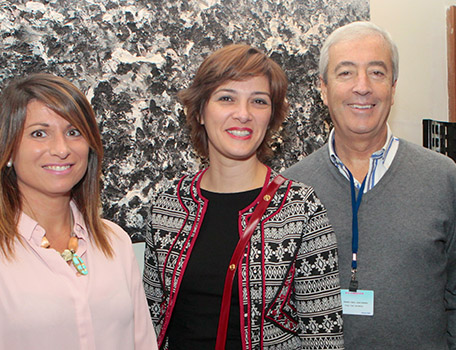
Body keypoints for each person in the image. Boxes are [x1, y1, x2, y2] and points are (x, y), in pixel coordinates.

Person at [284, 21, 456, 349]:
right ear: (323, 88)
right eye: (346, 73)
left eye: (377, 73)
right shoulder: (293, 187)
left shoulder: (441, 177)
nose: (362, 87)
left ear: (393, 88)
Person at [0, 73, 156, 349]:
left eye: (73, 132)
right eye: (39, 133)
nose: (61, 149)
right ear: (9, 150)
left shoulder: (114, 241)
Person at [142, 44, 343, 350]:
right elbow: (148, 322)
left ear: (271, 116)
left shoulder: (300, 208)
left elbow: (323, 337)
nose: (243, 114)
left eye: (258, 101)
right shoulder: (168, 204)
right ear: (199, 110)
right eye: (226, 98)